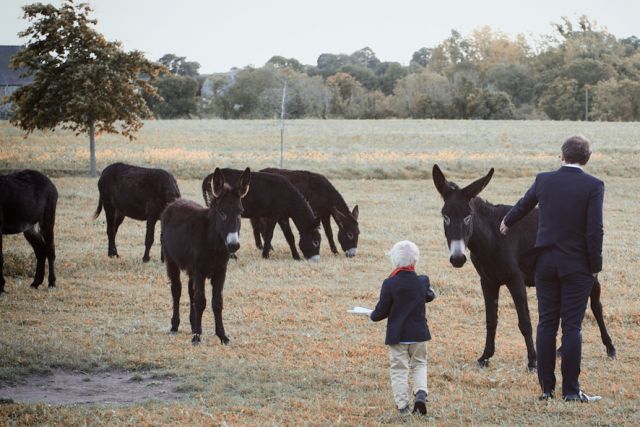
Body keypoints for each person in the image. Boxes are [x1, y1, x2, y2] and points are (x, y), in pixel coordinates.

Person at [500, 135, 604, 403]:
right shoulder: (594, 185)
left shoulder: (544, 179)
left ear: (562, 156)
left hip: (545, 263)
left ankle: (546, 389)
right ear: (587, 159)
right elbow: (595, 229)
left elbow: (523, 204)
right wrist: (595, 266)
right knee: (572, 326)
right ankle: (571, 391)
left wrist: (507, 222)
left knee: (546, 323)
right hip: (577, 265)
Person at [370, 240, 436, 415]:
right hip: (419, 334)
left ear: (394, 261)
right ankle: (420, 393)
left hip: (397, 336)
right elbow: (429, 296)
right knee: (420, 364)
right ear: (415, 261)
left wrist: (371, 315)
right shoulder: (422, 281)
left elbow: (380, 312)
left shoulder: (389, 283)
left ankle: (403, 406)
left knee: (399, 369)